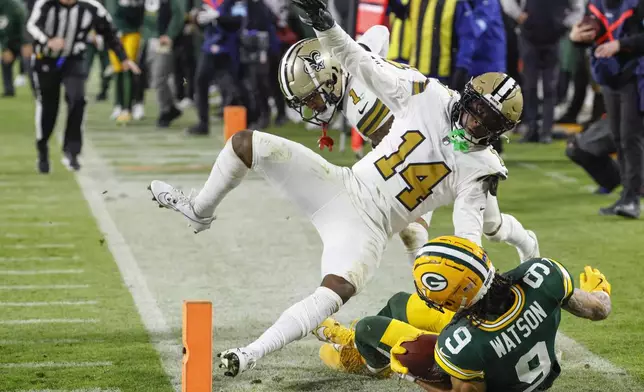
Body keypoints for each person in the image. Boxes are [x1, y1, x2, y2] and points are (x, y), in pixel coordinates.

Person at [148, 0, 523, 376]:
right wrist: (324, 26)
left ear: (499, 132)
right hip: (342, 186)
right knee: (245, 143)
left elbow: (468, 233)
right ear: (467, 97)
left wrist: (473, 276)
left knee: (335, 292)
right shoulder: (427, 94)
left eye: (486, 122)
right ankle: (200, 211)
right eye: (474, 111)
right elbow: (358, 60)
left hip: (372, 229)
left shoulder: (482, 167)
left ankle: (250, 353)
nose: (473, 125)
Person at [279, 35, 538, 263]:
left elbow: (380, 33)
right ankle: (427, 288)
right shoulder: (354, 78)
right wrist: (363, 51)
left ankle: (526, 242)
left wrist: (361, 52)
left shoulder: (362, 87)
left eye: (312, 96)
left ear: (330, 77)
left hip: (446, 144)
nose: (312, 106)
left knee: (493, 227)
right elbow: (378, 35)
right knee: (415, 233)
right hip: (425, 155)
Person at [319, 236, 612, 392]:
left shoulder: (458, 345)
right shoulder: (542, 275)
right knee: (399, 304)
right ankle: (367, 349)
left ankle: (369, 362)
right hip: (512, 343)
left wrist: (412, 375)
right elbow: (600, 310)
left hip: (491, 365)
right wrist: (600, 294)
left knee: (369, 328)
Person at [27, 0, 140, 173]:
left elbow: (109, 32)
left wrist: (123, 58)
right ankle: (42, 147)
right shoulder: (46, 4)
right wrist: (48, 40)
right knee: (49, 107)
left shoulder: (91, 7)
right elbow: (32, 26)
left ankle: (72, 151)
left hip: (73, 58)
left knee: (78, 99)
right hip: (46, 59)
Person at [570, 0, 644, 219]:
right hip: (609, 77)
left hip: (636, 76)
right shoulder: (595, 3)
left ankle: (633, 197)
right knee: (619, 138)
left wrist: (620, 45)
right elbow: (591, 34)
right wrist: (576, 39)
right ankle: (626, 194)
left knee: (631, 138)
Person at [502, 0, 584, 144]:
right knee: (530, 86)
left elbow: (578, 7)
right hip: (529, 37)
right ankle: (532, 129)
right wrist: (518, 15)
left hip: (554, 39)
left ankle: (546, 131)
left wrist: (564, 24)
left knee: (550, 88)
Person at [141, 0, 185, 128]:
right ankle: (171, 108)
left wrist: (170, 34)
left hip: (163, 40)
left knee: (159, 76)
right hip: (149, 39)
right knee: (155, 77)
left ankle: (165, 110)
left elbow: (178, 14)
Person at [105, 0, 144, 125]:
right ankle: (119, 104)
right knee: (117, 70)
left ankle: (130, 106)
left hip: (132, 31)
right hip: (113, 32)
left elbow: (140, 12)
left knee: (129, 68)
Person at [0, 0, 30, 98]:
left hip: (22, 40)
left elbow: (24, 24)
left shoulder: (13, 6)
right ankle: (9, 90)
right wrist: (4, 49)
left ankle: (38, 89)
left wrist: (26, 43)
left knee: (30, 64)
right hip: (9, 42)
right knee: (5, 62)